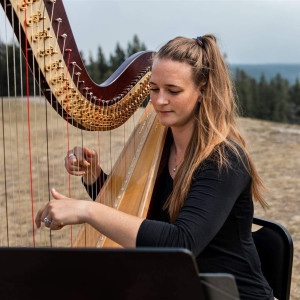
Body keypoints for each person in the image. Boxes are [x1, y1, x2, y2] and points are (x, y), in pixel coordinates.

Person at [35, 35, 273, 300]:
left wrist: (87, 210)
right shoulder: (161, 143)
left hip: (231, 294)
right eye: (154, 88)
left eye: (173, 91)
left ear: (203, 90)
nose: (159, 101)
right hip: (177, 287)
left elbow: (180, 244)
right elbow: (134, 210)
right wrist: (94, 178)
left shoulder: (224, 160)